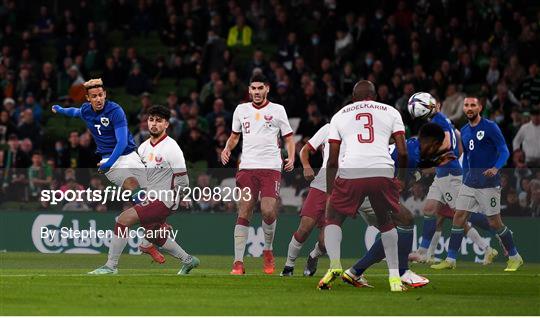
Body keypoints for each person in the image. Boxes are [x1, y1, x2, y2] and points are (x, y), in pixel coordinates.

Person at [51, 78, 164, 263]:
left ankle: (148, 242)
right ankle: (145, 237)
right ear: (88, 98)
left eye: (101, 95)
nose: (98, 99)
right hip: (110, 159)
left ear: (105, 95)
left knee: (150, 198)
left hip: (129, 155)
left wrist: (109, 162)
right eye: (94, 96)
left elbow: (121, 142)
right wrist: (61, 110)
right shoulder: (86, 110)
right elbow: (75, 112)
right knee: (132, 186)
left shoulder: (115, 111)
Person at [318, 80, 408, 292]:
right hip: (382, 170)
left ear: (353, 98)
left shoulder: (340, 115)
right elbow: (403, 152)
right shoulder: (391, 111)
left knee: (333, 218)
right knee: (386, 221)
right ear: (375, 96)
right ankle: (395, 279)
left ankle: (334, 266)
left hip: (352, 171)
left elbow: (332, 160)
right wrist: (401, 178)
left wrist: (331, 192)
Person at [343, 123, 458, 289]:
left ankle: (354, 272)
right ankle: (403, 272)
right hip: (369, 189)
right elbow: (404, 180)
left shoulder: (411, 145)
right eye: (436, 147)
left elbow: (416, 169)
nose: (436, 151)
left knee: (394, 234)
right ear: (432, 143)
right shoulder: (410, 156)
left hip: (363, 187)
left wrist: (436, 161)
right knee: (406, 220)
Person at [88, 105, 199, 275]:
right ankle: (188, 260)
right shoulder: (144, 147)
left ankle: (111, 266)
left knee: (122, 220)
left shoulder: (172, 147)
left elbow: (183, 179)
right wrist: (109, 163)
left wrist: (178, 198)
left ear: (166, 124)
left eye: (159, 121)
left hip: (165, 199)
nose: (154, 124)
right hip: (149, 197)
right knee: (155, 236)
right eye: (151, 120)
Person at [431, 97, 523, 271]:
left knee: (495, 223)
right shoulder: (464, 130)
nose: (469, 108)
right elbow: (466, 158)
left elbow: (504, 150)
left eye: (473, 105)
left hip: (489, 184)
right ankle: (450, 259)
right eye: (466, 105)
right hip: (469, 183)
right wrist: (465, 176)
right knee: (458, 218)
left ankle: (515, 256)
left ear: (480, 107)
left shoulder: (490, 127)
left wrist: (496, 168)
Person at [221, 73, 295, 275]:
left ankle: (268, 251)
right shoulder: (241, 110)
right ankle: (238, 263)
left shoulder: (278, 110)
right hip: (247, 167)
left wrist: (292, 156)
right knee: (244, 209)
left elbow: (289, 138)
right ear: (249, 90)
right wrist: (227, 148)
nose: (256, 92)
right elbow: (234, 137)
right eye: (253, 88)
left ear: (267, 89)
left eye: (260, 88)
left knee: (268, 210)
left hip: (271, 167)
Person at [409, 93, 464, 263]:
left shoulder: (438, 122)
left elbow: (447, 144)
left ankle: (500, 234)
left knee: (463, 215)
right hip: (442, 173)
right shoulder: (439, 120)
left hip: (450, 173)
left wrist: (428, 157)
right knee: (429, 209)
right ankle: (422, 252)